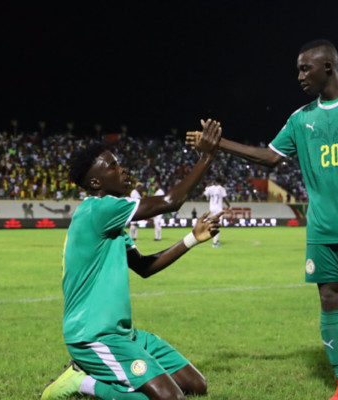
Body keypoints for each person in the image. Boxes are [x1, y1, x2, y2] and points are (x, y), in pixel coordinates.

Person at [188, 39, 338, 400]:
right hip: (323, 230)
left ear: (328, 66)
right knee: (330, 300)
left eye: (304, 68)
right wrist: (219, 146)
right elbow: (269, 156)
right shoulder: (300, 118)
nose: (299, 75)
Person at [41, 119, 223, 400]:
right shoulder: (97, 210)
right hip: (92, 336)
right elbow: (172, 201)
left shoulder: (111, 224)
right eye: (112, 166)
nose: (122, 169)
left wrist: (192, 238)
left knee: (197, 385)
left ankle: (92, 376)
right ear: (95, 182)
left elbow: (145, 267)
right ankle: (81, 382)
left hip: (123, 334)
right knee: (171, 399)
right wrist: (207, 157)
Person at [203, 177, 230, 247]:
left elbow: (203, 196)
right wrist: (229, 206)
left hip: (212, 209)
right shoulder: (221, 188)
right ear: (221, 182)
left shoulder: (210, 188)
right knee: (217, 225)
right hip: (218, 209)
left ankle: (216, 240)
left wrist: (206, 189)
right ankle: (215, 243)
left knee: (213, 224)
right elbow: (225, 198)